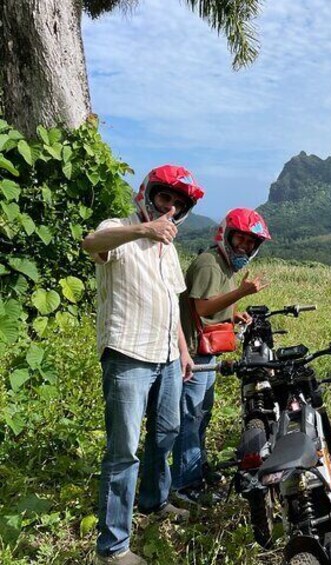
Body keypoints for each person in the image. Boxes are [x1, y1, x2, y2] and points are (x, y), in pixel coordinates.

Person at [81, 165, 204, 565]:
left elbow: (172, 303)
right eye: (164, 197)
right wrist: (141, 231)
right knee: (123, 451)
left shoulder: (169, 247)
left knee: (166, 431)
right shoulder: (120, 228)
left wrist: (183, 351)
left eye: (178, 203)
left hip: (168, 356)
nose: (169, 208)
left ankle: (154, 500)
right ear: (148, 193)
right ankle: (113, 549)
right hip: (129, 354)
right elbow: (90, 242)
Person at [171, 208, 271, 505]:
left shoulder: (225, 266)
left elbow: (213, 308)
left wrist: (232, 314)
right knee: (190, 419)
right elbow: (201, 308)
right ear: (226, 235)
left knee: (202, 416)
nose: (244, 246)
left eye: (251, 242)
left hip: (208, 352)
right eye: (240, 238)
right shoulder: (209, 264)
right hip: (193, 354)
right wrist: (241, 293)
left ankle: (196, 470)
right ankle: (184, 485)